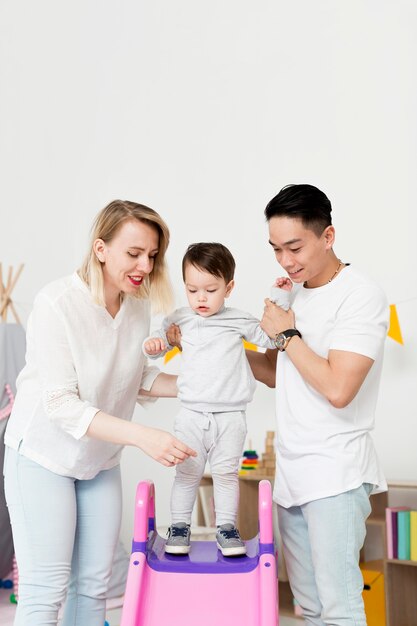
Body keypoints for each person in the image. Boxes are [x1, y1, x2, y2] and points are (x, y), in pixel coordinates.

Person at [3, 200, 196, 626]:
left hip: (99, 459)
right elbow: (61, 404)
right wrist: (144, 437)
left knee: (93, 588)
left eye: (152, 255)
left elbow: (135, 376)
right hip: (43, 457)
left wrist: (199, 387)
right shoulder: (56, 303)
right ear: (101, 248)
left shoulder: (137, 305)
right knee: (45, 591)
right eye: (134, 253)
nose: (145, 265)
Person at [248, 184, 389, 626]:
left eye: (295, 247)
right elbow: (279, 374)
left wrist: (287, 335)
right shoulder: (295, 293)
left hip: (336, 473)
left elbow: (338, 388)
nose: (286, 261)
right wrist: (219, 342)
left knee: (340, 608)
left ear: (327, 236)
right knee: (307, 608)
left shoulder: (360, 294)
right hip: (292, 472)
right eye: (276, 249)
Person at [143, 242, 276, 556]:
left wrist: (280, 301)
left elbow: (270, 337)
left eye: (210, 289)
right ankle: (178, 526)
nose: (201, 298)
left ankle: (226, 527)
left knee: (226, 474)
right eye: (192, 290)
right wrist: (155, 344)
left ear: (228, 288)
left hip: (231, 416)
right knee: (187, 473)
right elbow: (163, 343)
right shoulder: (181, 320)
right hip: (191, 414)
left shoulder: (238, 320)